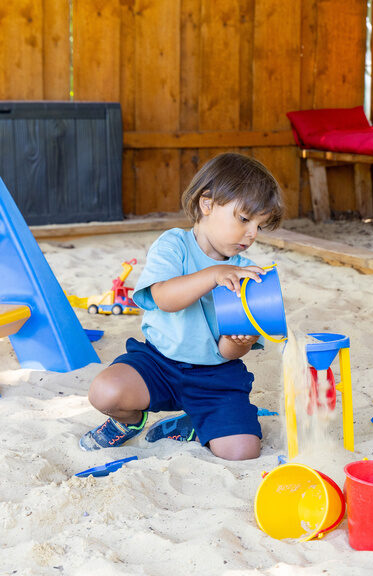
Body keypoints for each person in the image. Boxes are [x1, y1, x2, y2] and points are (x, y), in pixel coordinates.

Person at [79, 152, 284, 460]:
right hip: (158, 364)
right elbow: (164, 298)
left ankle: (192, 423)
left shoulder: (245, 272)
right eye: (244, 219)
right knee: (106, 392)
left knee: (243, 452)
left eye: (260, 225)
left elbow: (228, 352)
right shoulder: (173, 245)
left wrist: (239, 342)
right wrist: (214, 275)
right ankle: (128, 424)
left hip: (215, 377)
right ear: (208, 204)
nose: (252, 234)